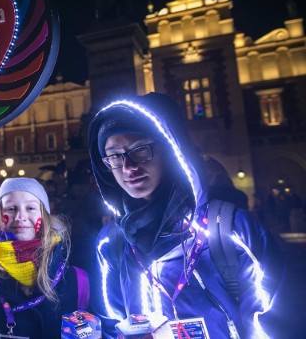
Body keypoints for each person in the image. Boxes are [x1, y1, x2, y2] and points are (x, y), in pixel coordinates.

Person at [87, 92, 286, 338]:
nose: (128, 167)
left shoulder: (231, 229)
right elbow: (111, 322)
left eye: (140, 149)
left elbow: (274, 321)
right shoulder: (112, 242)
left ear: (171, 149)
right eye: (115, 156)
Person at [0, 177, 94, 338]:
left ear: (44, 214)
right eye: (11, 208)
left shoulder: (77, 281)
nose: (20, 216)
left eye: (31, 208)